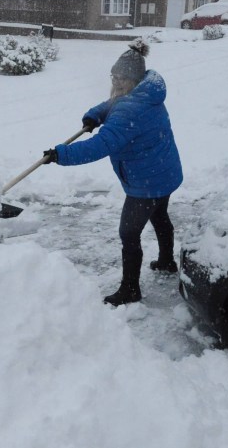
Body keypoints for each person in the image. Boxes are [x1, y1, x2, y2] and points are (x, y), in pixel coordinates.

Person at [42, 39, 183, 307]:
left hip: (147, 180)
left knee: (129, 234)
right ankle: (166, 261)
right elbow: (113, 104)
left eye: (122, 77)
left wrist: (61, 155)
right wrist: (94, 116)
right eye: (114, 75)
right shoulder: (146, 92)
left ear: (134, 78)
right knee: (160, 215)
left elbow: (101, 145)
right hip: (165, 171)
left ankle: (130, 289)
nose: (117, 81)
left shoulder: (132, 108)